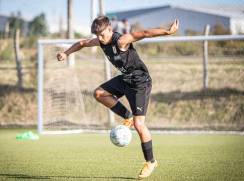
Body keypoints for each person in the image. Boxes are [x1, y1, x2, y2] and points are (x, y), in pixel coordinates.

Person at [57, 16, 179, 179]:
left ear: (109, 29)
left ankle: (151, 162)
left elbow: (144, 33)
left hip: (139, 83)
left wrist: (166, 31)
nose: (99, 38)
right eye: (97, 35)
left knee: (139, 124)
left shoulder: (121, 40)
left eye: (102, 34)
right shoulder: (100, 41)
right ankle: (127, 116)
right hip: (125, 79)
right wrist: (66, 53)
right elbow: (82, 43)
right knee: (99, 93)